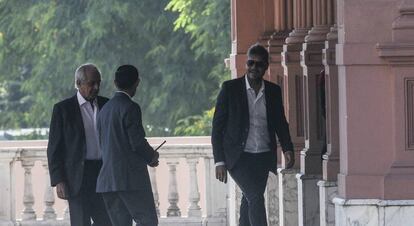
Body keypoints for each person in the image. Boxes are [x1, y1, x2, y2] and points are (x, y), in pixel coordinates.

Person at [211, 43, 295, 226]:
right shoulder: (230, 89)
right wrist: (219, 161)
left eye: (259, 64)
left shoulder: (273, 91)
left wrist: (288, 148)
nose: (254, 68)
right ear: (246, 64)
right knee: (256, 197)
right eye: (250, 63)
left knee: (249, 199)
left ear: (266, 67)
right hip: (238, 157)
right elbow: (217, 128)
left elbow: (280, 122)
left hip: (263, 156)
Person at [47, 63, 112, 226]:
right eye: (91, 83)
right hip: (77, 177)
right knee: (81, 222)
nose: (96, 87)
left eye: (98, 82)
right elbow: (54, 148)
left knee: (108, 221)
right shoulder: (63, 109)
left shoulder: (107, 105)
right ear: (78, 84)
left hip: (104, 174)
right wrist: (58, 179)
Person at [96, 65, 159, 226]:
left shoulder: (104, 110)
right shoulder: (131, 107)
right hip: (130, 179)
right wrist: (152, 156)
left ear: (115, 82)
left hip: (107, 181)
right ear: (137, 82)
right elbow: (137, 142)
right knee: (148, 221)